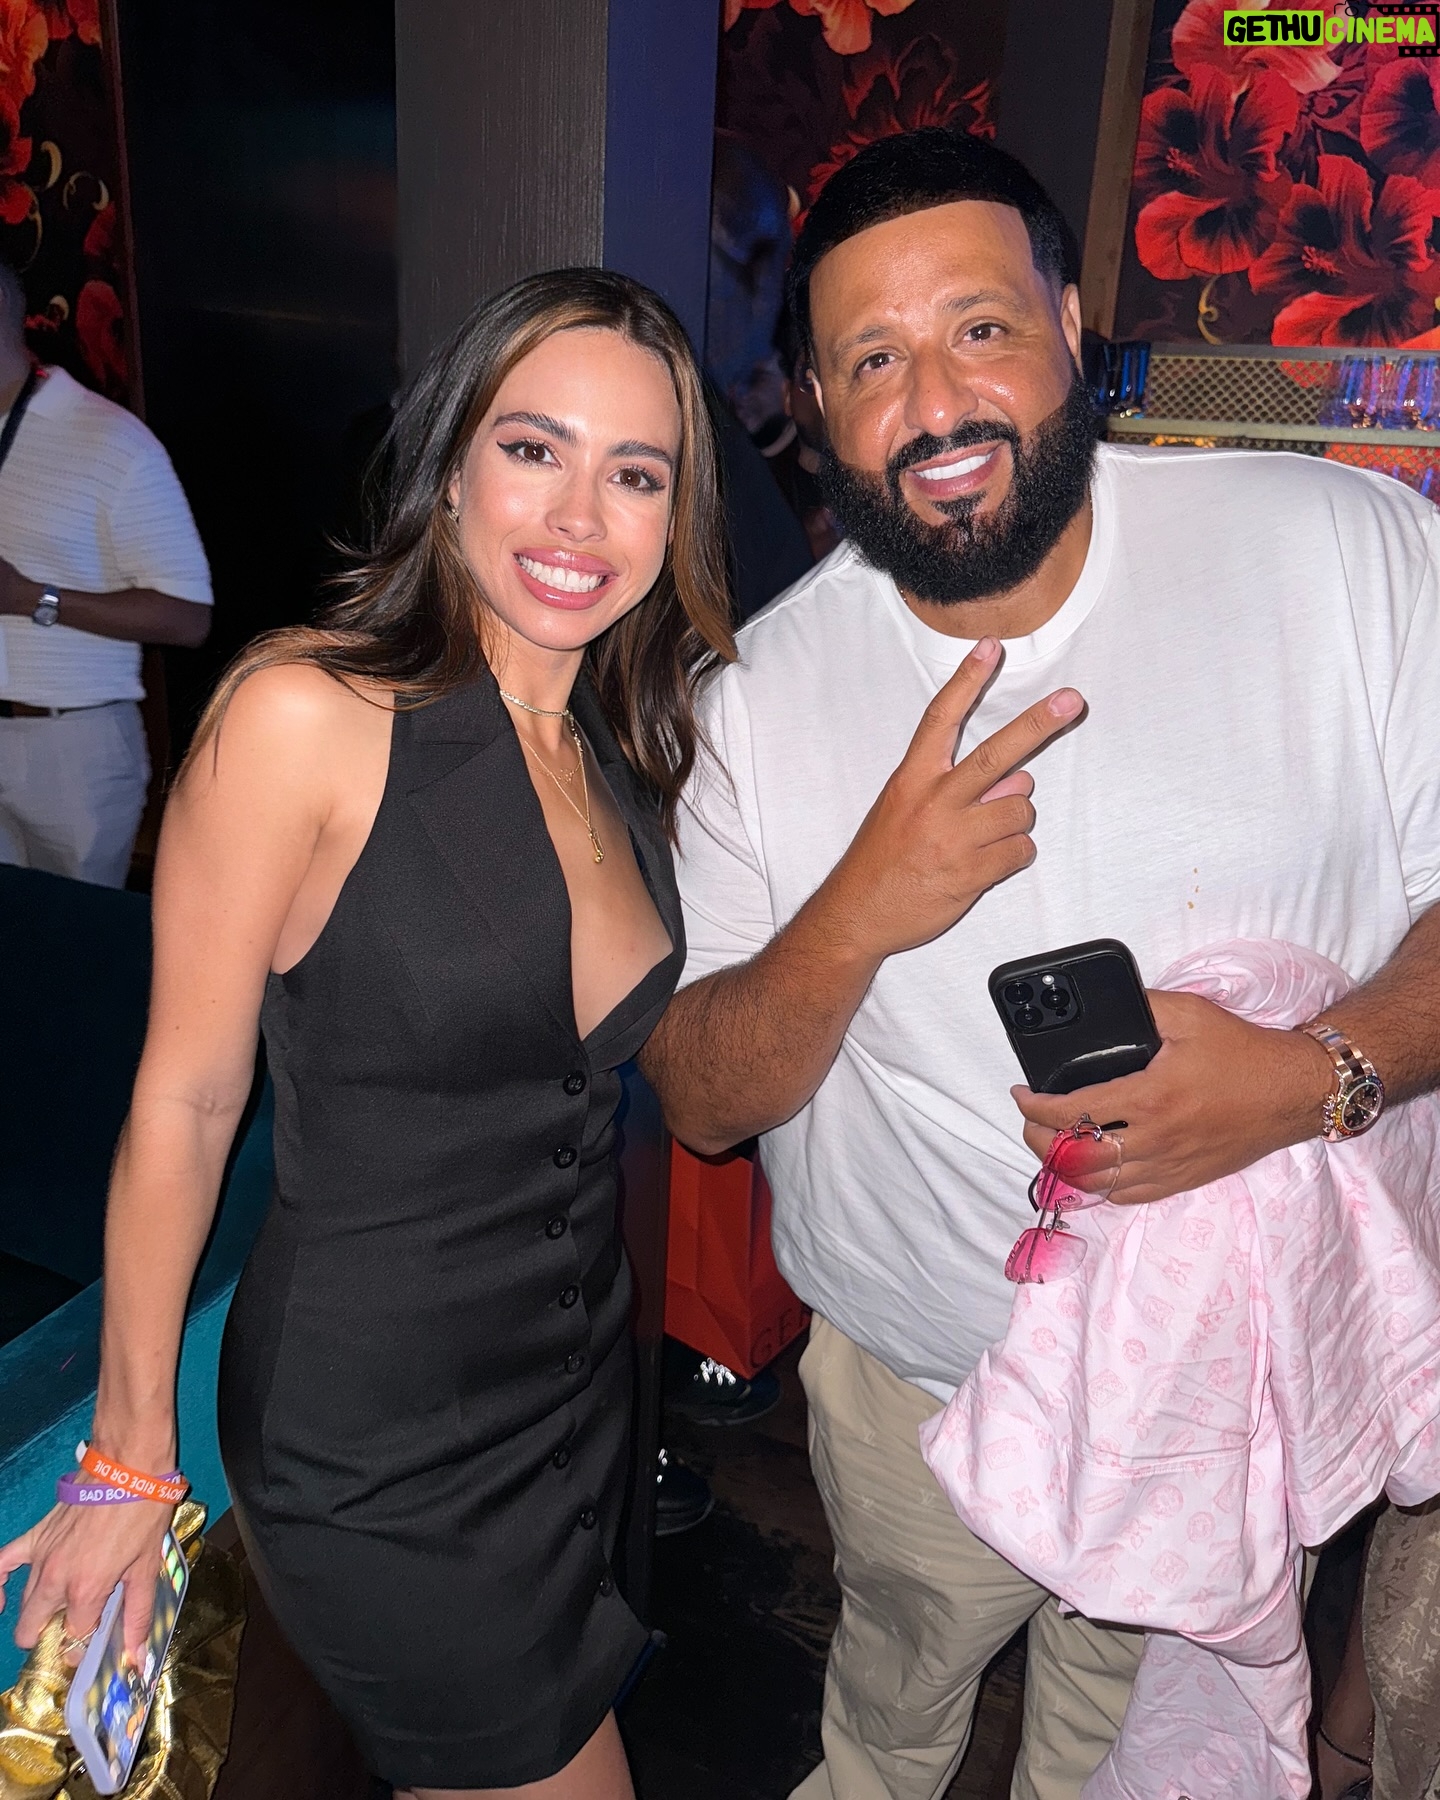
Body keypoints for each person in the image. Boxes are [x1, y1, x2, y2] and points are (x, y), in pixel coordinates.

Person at [640, 127, 1440, 1800]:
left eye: (980, 328)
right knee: (893, 1712)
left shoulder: (1343, 550)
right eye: (874, 360)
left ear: (1070, 325)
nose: (935, 403)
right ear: (815, 401)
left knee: (1116, 1747)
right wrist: (863, 904)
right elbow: (701, 1098)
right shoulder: (755, 705)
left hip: (1222, 1387)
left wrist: (1310, 1078)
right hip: (926, 1386)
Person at [0, 267, 735, 1800]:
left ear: (677, 517)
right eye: (532, 449)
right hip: (376, 1447)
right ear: (451, 466)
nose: (579, 515)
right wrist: (128, 1454)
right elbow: (187, 1100)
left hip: (568, 1404)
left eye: (636, 473)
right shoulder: (306, 715)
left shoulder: (626, 749)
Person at [0, 260, 211, 887]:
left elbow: (188, 618)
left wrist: (31, 597)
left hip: (71, 748)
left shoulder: (110, 440)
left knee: (70, 937)